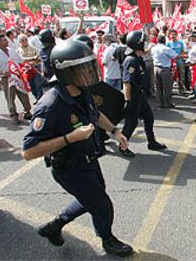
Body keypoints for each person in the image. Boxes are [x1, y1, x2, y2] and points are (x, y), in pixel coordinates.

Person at [21, 39, 133, 258]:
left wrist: (115, 131)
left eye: (89, 67)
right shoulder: (50, 105)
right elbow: (28, 151)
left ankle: (54, 227)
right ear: (65, 74)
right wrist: (69, 138)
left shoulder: (82, 92)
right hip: (69, 168)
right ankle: (107, 239)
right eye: (82, 70)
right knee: (102, 205)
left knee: (90, 198)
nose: (88, 74)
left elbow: (95, 114)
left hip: (90, 159)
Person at [120, 30, 167, 157]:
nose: (145, 44)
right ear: (137, 44)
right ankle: (122, 146)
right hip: (133, 96)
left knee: (148, 117)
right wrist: (127, 101)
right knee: (131, 123)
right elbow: (126, 83)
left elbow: (145, 52)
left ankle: (151, 142)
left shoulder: (137, 56)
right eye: (143, 42)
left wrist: (150, 45)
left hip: (140, 95)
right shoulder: (131, 60)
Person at [0, 34, 32, 124]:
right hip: (6, 78)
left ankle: (27, 111)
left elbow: (21, 60)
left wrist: (32, 59)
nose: (7, 41)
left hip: (17, 77)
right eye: (4, 40)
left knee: (24, 95)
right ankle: (14, 115)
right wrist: (2, 72)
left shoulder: (12, 51)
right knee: (10, 98)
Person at [151, 34, 179, 108]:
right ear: (164, 40)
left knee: (158, 87)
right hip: (164, 68)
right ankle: (167, 103)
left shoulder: (154, 48)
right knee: (167, 87)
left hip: (156, 68)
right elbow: (175, 56)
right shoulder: (166, 48)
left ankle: (159, 103)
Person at [17, 34, 45, 101]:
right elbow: (20, 60)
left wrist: (34, 61)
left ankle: (40, 99)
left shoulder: (34, 49)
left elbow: (39, 58)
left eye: (26, 39)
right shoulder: (18, 51)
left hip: (35, 68)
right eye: (22, 40)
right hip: (26, 70)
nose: (24, 41)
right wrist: (32, 59)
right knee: (31, 85)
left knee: (38, 84)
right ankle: (37, 97)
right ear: (19, 42)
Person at [167, 29, 186, 93]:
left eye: (174, 34)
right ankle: (170, 89)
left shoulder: (180, 43)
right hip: (171, 62)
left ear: (176, 35)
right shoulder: (168, 43)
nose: (173, 36)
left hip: (179, 61)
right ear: (169, 35)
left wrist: (179, 56)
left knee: (181, 75)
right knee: (171, 75)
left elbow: (183, 51)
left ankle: (181, 89)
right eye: (172, 34)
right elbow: (167, 52)